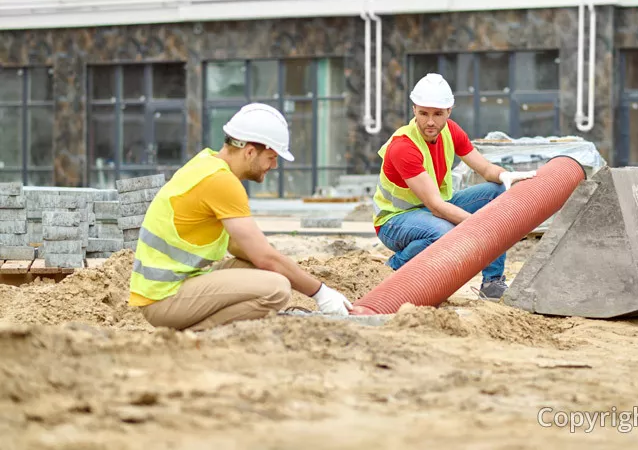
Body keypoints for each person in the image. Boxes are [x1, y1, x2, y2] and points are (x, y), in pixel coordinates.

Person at [128, 103, 353, 331]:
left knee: (264, 270)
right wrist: (321, 293)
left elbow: (241, 248)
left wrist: (277, 262)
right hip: (164, 299)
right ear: (249, 152)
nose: (274, 165)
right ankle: (197, 333)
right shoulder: (221, 181)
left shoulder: (206, 163)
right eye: (272, 157)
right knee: (276, 289)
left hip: (169, 288)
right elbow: (266, 258)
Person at [372, 73, 536, 300]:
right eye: (424, 113)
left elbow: (486, 170)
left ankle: (492, 284)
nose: (430, 121)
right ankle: (394, 266)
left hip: (432, 209)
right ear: (414, 110)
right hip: (395, 221)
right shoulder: (403, 146)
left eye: (438, 114)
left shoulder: (451, 131)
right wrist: (483, 226)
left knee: (498, 193)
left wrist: (505, 176)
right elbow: (437, 207)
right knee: (444, 233)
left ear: (449, 111)